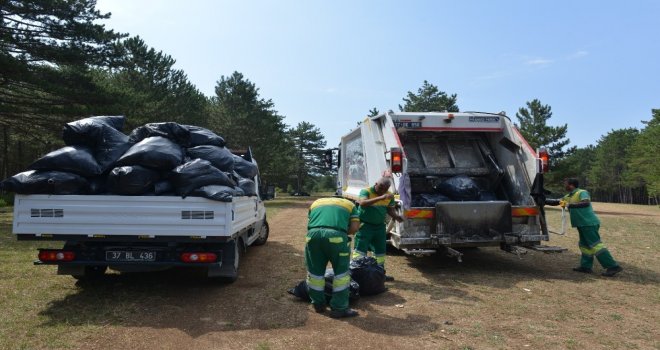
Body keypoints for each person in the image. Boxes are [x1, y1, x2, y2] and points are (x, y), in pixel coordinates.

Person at [547, 178, 623, 277]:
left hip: (588, 223)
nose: (564, 186)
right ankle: (586, 267)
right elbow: (557, 202)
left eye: (565, 184)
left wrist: (570, 205)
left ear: (571, 185)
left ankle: (613, 266)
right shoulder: (568, 196)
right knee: (584, 245)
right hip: (581, 224)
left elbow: (585, 202)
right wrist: (542, 200)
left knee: (596, 245)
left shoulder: (582, 192)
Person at [306, 197, 361, 318]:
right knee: (341, 275)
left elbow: (310, 221)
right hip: (336, 237)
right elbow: (355, 228)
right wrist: (342, 233)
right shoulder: (350, 205)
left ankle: (318, 304)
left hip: (312, 236)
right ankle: (339, 308)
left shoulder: (316, 203)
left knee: (315, 273)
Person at [352, 177, 404, 281]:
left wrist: (397, 217)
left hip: (379, 227)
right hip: (365, 226)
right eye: (380, 188)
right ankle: (356, 274)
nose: (382, 191)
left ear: (388, 188)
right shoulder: (366, 191)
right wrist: (381, 197)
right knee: (360, 251)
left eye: (385, 189)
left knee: (380, 252)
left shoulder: (389, 195)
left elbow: (390, 210)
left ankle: (379, 275)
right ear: (376, 183)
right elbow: (363, 203)